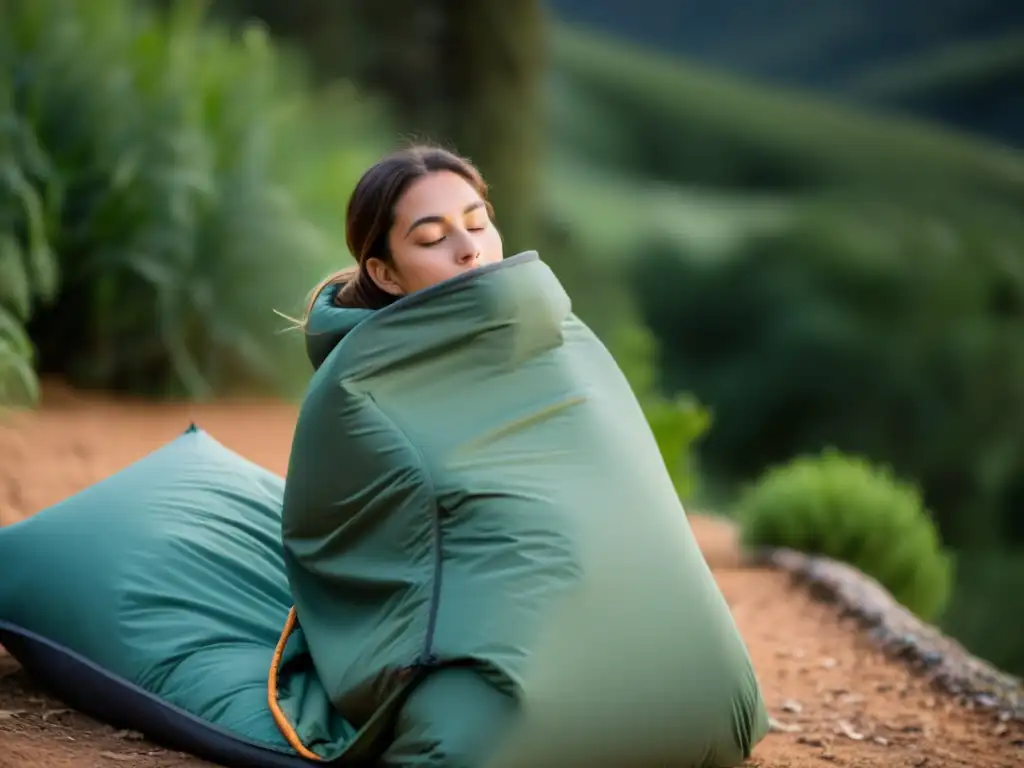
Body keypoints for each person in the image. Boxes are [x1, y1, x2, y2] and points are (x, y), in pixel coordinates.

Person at [300, 144, 505, 316]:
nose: (470, 249)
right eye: (433, 238)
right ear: (386, 275)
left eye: (476, 225)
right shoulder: (370, 363)